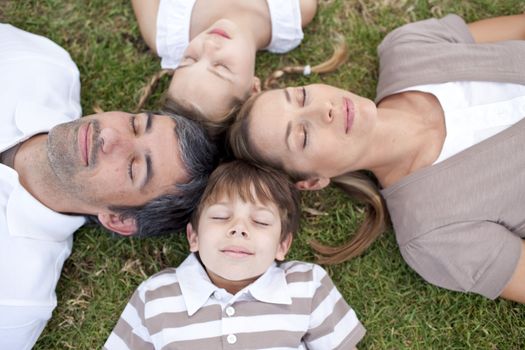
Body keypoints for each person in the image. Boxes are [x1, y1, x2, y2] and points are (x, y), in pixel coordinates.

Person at [228, 13, 525, 303]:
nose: (323, 110)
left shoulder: (409, 48)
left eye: (303, 96)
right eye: (302, 136)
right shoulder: (435, 235)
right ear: (312, 181)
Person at [0, 24, 217, 349]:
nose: (110, 136)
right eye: (134, 123)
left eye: (134, 167)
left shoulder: (16, 300)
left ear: (119, 219)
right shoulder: (44, 65)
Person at [104, 160, 366, 349]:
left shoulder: (306, 286)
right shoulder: (157, 295)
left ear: (282, 245)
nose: (239, 229)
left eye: (261, 222)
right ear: (193, 236)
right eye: (220, 216)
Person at [131, 0, 318, 136]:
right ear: (253, 89)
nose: (209, 45)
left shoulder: (164, 33)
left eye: (189, 59)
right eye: (221, 67)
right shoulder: (295, 10)